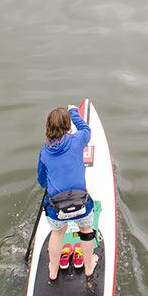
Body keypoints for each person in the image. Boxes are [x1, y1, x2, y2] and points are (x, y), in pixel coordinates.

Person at [37, 105, 98, 280]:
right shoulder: (78, 140)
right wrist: (73, 112)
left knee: (57, 233)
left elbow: (42, 182)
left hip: (56, 210)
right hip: (81, 205)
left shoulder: (44, 152)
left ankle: (53, 271)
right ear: (68, 126)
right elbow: (86, 129)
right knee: (86, 229)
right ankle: (88, 267)